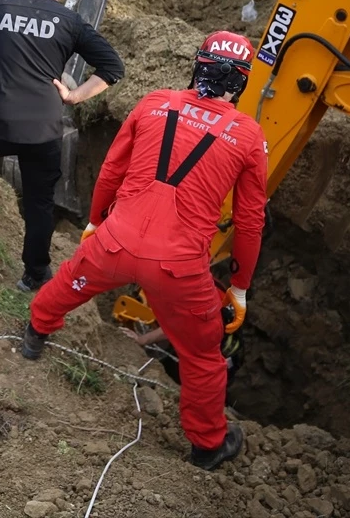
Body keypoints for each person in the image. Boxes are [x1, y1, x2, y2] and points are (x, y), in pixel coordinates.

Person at [21, 31, 269, 472]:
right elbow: (250, 223)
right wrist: (239, 288)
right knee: (203, 356)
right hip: (179, 268)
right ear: (242, 82)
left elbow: (110, 171)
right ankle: (208, 445)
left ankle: (35, 335)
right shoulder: (248, 136)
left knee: (69, 282)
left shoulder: (154, 102)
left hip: (116, 241)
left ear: (198, 67)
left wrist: (95, 223)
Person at [0, 0, 124, 292]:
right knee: (40, 201)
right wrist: (73, 96)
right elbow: (113, 67)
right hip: (44, 131)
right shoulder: (69, 20)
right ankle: (35, 273)